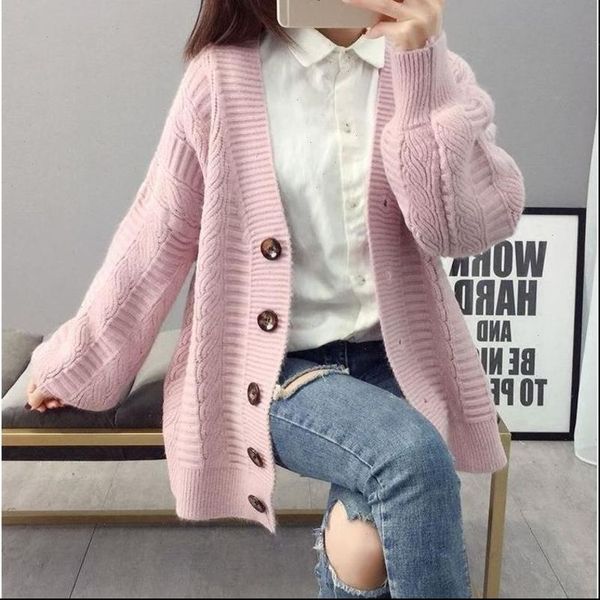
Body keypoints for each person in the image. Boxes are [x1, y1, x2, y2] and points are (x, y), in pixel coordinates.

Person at [26, 0, 526, 597]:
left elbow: (454, 233)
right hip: (276, 370)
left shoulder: (435, 74)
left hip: (398, 364)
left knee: (365, 548)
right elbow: (156, 237)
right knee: (410, 459)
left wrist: (422, 78)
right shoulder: (221, 79)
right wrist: (78, 363)